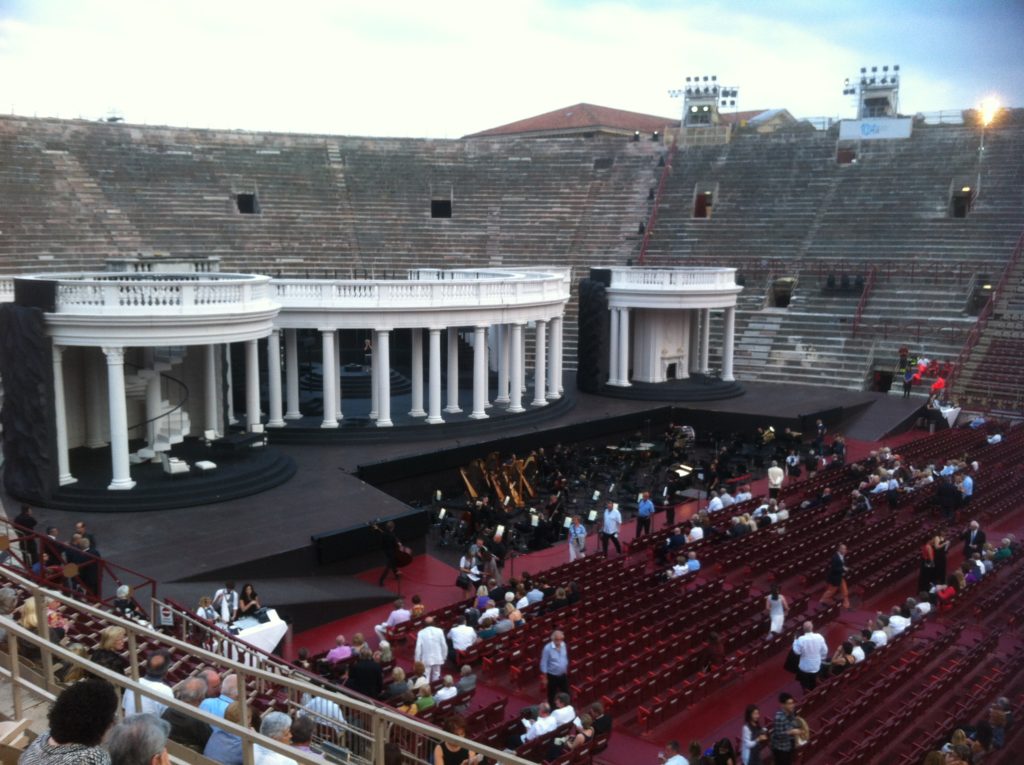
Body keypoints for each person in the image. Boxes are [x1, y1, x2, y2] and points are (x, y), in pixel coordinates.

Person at [18, 677, 118, 765]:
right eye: (112, 715)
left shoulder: (42, 739)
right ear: (99, 723)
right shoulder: (93, 758)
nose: (113, 721)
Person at [161, 677, 212, 753]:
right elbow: (209, 743)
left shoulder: (168, 711)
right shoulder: (199, 721)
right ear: (201, 697)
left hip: (167, 752)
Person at [122, 649, 174, 717]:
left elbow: (124, 710)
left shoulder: (133, 682)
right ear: (166, 671)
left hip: (128, 722)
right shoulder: (166, 691)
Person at [791, 621, 828, 692]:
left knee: (805, 685)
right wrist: (821, 658)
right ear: (812, 627)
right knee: (813, 683)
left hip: (804, 668)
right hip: (816, 666)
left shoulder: (801, 639)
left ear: (803, 629)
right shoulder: (819, 637)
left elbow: (797, 652)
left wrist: (795, 641)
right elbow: (825, 650)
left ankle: (806, 692)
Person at [540, 629, 569, 706]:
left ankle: (566, 707)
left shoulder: (563, 644)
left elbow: (565, 657)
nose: (559, 641)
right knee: (552, 694)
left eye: (560, 639)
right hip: (552, 676)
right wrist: (545, 677)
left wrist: (565, 668)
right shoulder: (547, 648)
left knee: (566, 692)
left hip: (562, 674)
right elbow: (543, 663)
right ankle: (553, 709)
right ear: (553, 639)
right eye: (557, 639)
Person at [770, 693, 802, 765]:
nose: (792, 705)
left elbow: (793, 723)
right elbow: (779, 735)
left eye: (792, 703)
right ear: (782, 705)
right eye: (789, 704)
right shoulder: (779, 718)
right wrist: (791, 732)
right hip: (781, 749)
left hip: (790, 744)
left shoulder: (792, 712)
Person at [414, 617, 448, 682]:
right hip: (437, 657)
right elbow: (444, 645)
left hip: (426, 659)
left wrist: (417, 661)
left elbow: (418, 649)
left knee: (426, 677)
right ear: (433, 623)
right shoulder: (439, 631)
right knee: (436, 675)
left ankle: (427, 688)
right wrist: (444, 657)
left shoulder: (421, 633)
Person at [820, 543, 851, 609]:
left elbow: (843, 565)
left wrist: (844, 569)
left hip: (840, 577)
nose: (845, 550)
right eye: (844, 549)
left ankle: (846, 604)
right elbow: (834, 569)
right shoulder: (835, 558)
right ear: (839, 549)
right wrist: (843, 569)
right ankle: (823, 600)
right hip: (834, 578)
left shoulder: (843, 556)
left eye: (845, 549)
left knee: (845, 591)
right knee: (831, 591)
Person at [376, 520, 403, 586]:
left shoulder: (384, 534)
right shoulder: (392, 535)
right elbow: (396, 544)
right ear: (392, 527)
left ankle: (396, 575)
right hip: (391, 552)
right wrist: (399, 544)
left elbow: (382, 544)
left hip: (386, 551)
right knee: (388, 567)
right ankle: (381, 580)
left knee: (392, 563)